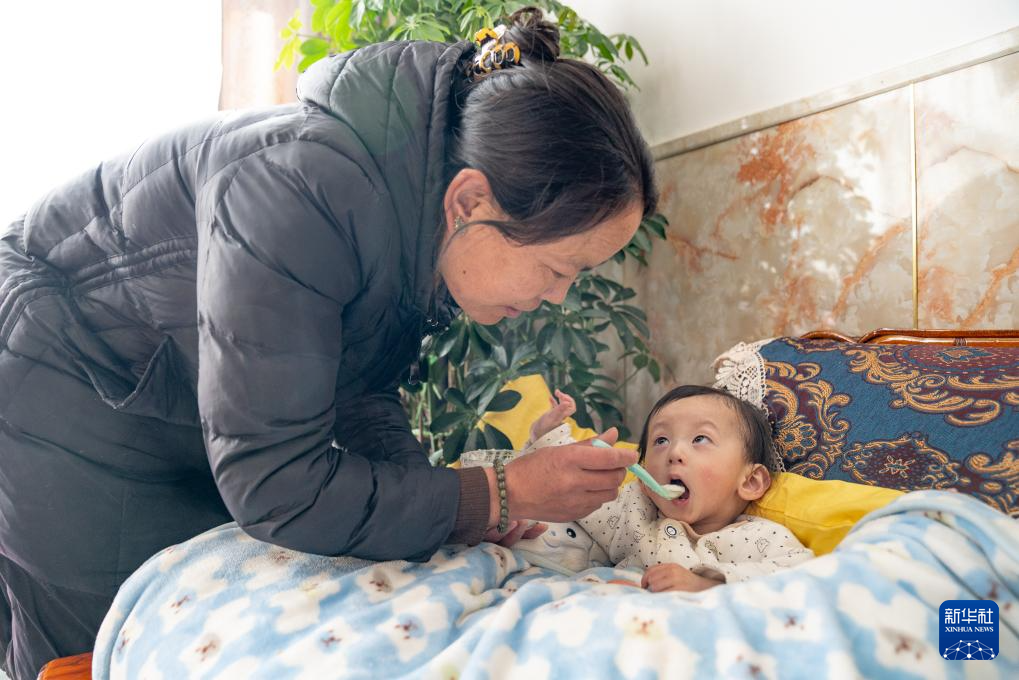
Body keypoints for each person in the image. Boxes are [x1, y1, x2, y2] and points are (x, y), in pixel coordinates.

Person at [0, 6, 654, 678]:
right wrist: (495, 491)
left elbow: (359, 387)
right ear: (470, 202)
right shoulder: (300, 188)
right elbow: (277, 486)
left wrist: (461, 510)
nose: (558, 296)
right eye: (559, 267)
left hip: (151, 389)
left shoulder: (409, 210)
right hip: (54, 378)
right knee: (107, 642)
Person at [578, 385, 814, 592]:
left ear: (750, 482)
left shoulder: (759, 538)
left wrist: (706, 585)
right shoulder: (633, 512)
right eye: (661, 440)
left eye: (700, 439)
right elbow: (571, 501)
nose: (674, 453)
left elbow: (802, 577)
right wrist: (554, 438)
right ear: (644, 480)